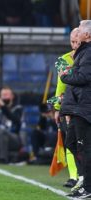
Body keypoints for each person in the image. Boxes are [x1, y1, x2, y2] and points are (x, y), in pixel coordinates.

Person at [59, 20, 91, 198]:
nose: (76, 35)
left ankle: (88, 186)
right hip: (79, 106)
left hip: (85, 107)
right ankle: (85, 180)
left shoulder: (88, 52)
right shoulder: (83, 52)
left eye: (79, 32)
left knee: (84, 147)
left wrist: (66, 75)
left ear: (87, 35)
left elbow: (84, 77)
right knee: (72, 142)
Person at [53, 28, 80, 188]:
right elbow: (60, 86)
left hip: (85, 104)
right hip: (70, 104)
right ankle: (73, 176)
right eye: (72, 42)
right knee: (71, 140)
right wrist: (57, 107)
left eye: (78, 42)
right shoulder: (62, 60)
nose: (75, 45)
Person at [0, 86, 23, 163]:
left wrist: (3, 106)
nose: (4, 97)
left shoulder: (18, 108)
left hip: (14, 138)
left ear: (12, 96)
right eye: (2, 95)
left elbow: (15, 119)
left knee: (2, 131)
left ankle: (3, 159)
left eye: (6, 95)